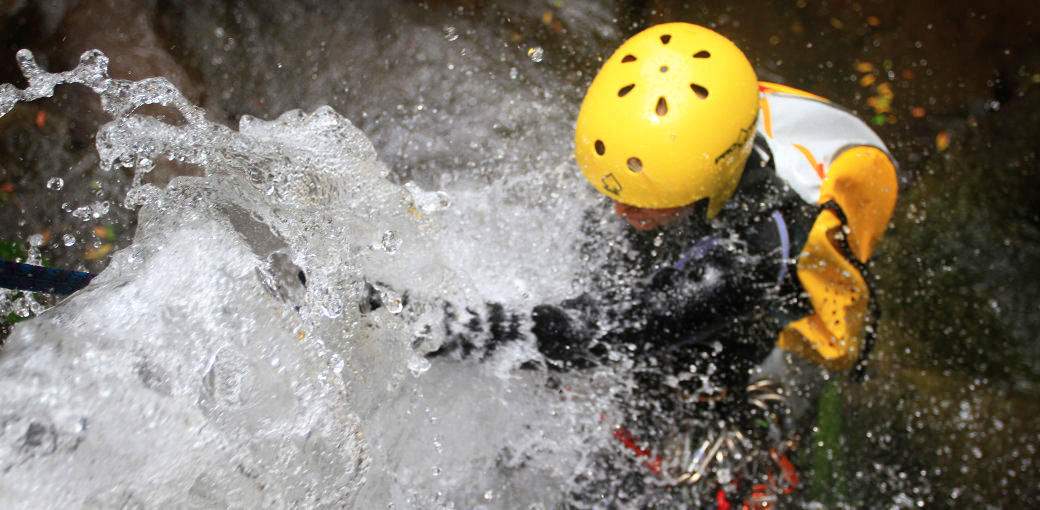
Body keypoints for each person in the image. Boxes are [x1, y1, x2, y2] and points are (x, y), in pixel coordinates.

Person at [391, 21, 899, 507]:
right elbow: (605, 289)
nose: (619, 209)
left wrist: (431, 326)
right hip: (718, 204)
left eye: (642, 196)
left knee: (700, 375)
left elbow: (596, 331)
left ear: (708, 180)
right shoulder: (686, 141)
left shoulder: (756, 252)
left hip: (794, 320)